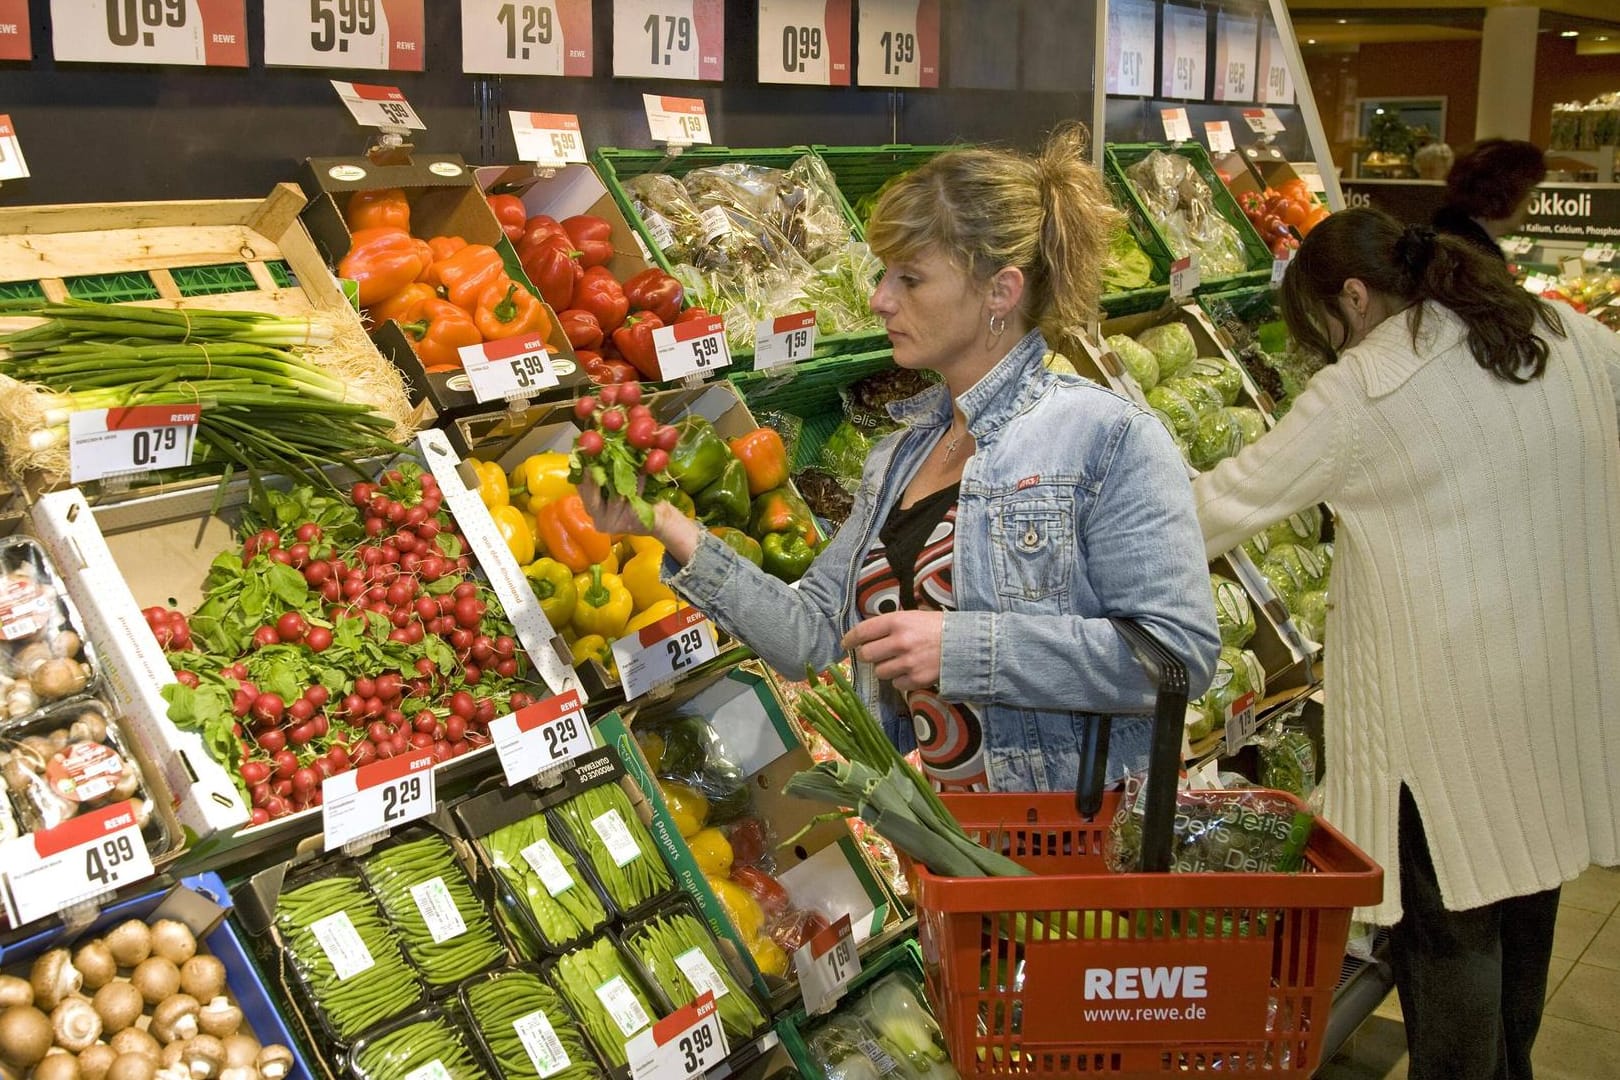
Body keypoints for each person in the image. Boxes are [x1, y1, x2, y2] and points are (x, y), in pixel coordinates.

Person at [585, 125, 1219, 793]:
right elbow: (809, 636)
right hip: (949, 853)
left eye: (910, 278)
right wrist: (661, 521)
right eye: (885, 273)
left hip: (1069, 859)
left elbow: (1178, 656)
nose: (880, 298)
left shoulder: (1107, 438)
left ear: (1000, 292)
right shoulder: (900, 457)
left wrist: (965, 650)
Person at [1194, 207, 1620, 1080]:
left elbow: (1221, 505)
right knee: (1526, 902)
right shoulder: (1556, 331)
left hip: (1447, 719)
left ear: (1352, 295)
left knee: (1448, 932)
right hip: (1559, 692)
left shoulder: (1369, 389)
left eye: (1317, 323)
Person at [1431, 138, 1546, 260]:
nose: (1532, 201)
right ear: (1506, 194)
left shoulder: (1447, 241)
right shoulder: (1473, 262)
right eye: (1530, 191)